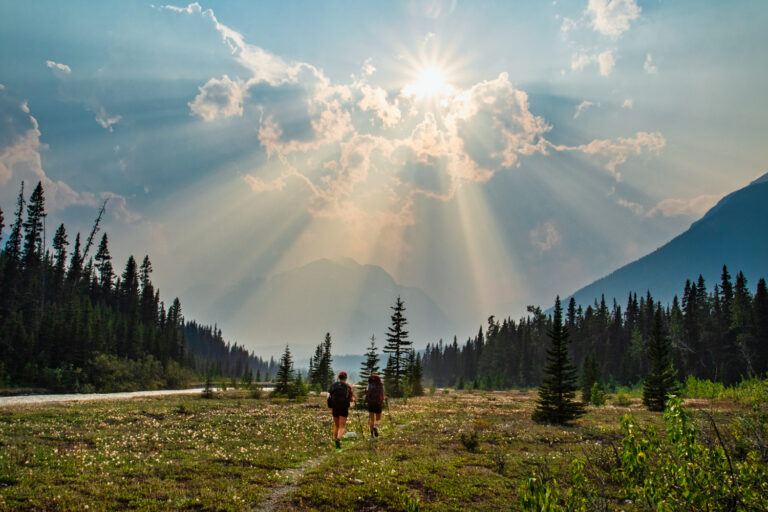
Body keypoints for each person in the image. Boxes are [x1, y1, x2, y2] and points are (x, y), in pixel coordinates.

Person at [327, 371, 355, 449]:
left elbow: (328, 396)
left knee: (336, 425)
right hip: (343, 408)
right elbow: (351, 398)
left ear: (338, 377)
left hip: (334, 407)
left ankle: (334, 441)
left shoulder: (333, 385)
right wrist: (353, 400)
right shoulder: (348, 387)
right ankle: (338, 440)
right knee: (342, 426)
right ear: (346, 378)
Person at [364, 374, 385, 438]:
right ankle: (376, 427)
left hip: (371, 404)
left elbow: (366, 393)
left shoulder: (369, 385)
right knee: (378, 418)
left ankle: (371, 434)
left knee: (371, 419)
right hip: (378, 403)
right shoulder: (381, 385)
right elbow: (383, 394)